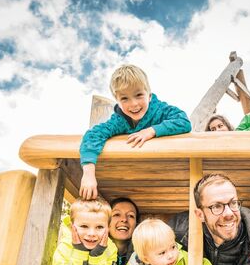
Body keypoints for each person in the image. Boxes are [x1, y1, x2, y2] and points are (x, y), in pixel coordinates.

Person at [80, 64, 191, 199]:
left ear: (149, 96)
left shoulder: (160, 110)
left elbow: (183, 121)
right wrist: (88, 174)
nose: (133, 104)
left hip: (170, 173)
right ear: (118, 101)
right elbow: (93, 135)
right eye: (124, 98)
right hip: (135, 177)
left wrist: (152, 130)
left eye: (138, 95)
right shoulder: (119, 121)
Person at [168, 173, 250, 265]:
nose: (229, 213)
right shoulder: (176, 232)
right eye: (216, 206)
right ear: (200, 215)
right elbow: (142, 257)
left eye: (233, 203)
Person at [50, 197, 118, 265]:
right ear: (72, 226)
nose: (91, 233)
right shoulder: (65, 245)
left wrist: (97, 256)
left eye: (99, 227)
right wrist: (79, 253)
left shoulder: (110, 249)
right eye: (84, 226)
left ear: (108, 228)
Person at [109, 197, 140, 265]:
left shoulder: (142, 256)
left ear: (136, 224)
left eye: (130, 216)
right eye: (117, 214)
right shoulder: (94, 253)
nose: (124, 219)